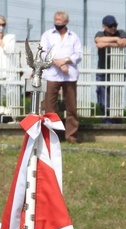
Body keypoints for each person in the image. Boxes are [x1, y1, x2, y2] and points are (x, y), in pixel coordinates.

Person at [40, 11, 83, 144]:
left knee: (71, 108)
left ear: (66, 21)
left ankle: (71, 136)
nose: (58, 22)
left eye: (60, 20)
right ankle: (51, 136)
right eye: (56, 19)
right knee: (50, 107)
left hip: (69, 76)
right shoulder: (47, 35)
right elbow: (42, 52)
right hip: (52, 75)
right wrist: (58, 63)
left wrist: (65, 61)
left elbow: (78, 54)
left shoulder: (73, 36)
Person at [94, 16, 126, 124]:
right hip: (102, 70)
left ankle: (117, 120)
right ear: (104, 26)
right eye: (110, 26)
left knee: (116, 96)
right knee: (103, 97)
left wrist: (107, 44)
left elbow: (124, 43)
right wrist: (116, 40)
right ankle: (107, 121)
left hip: (117, 70)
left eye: (115, 25)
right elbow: (98, 40)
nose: (113, 28)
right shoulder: (100, 33)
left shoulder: (121, 32)